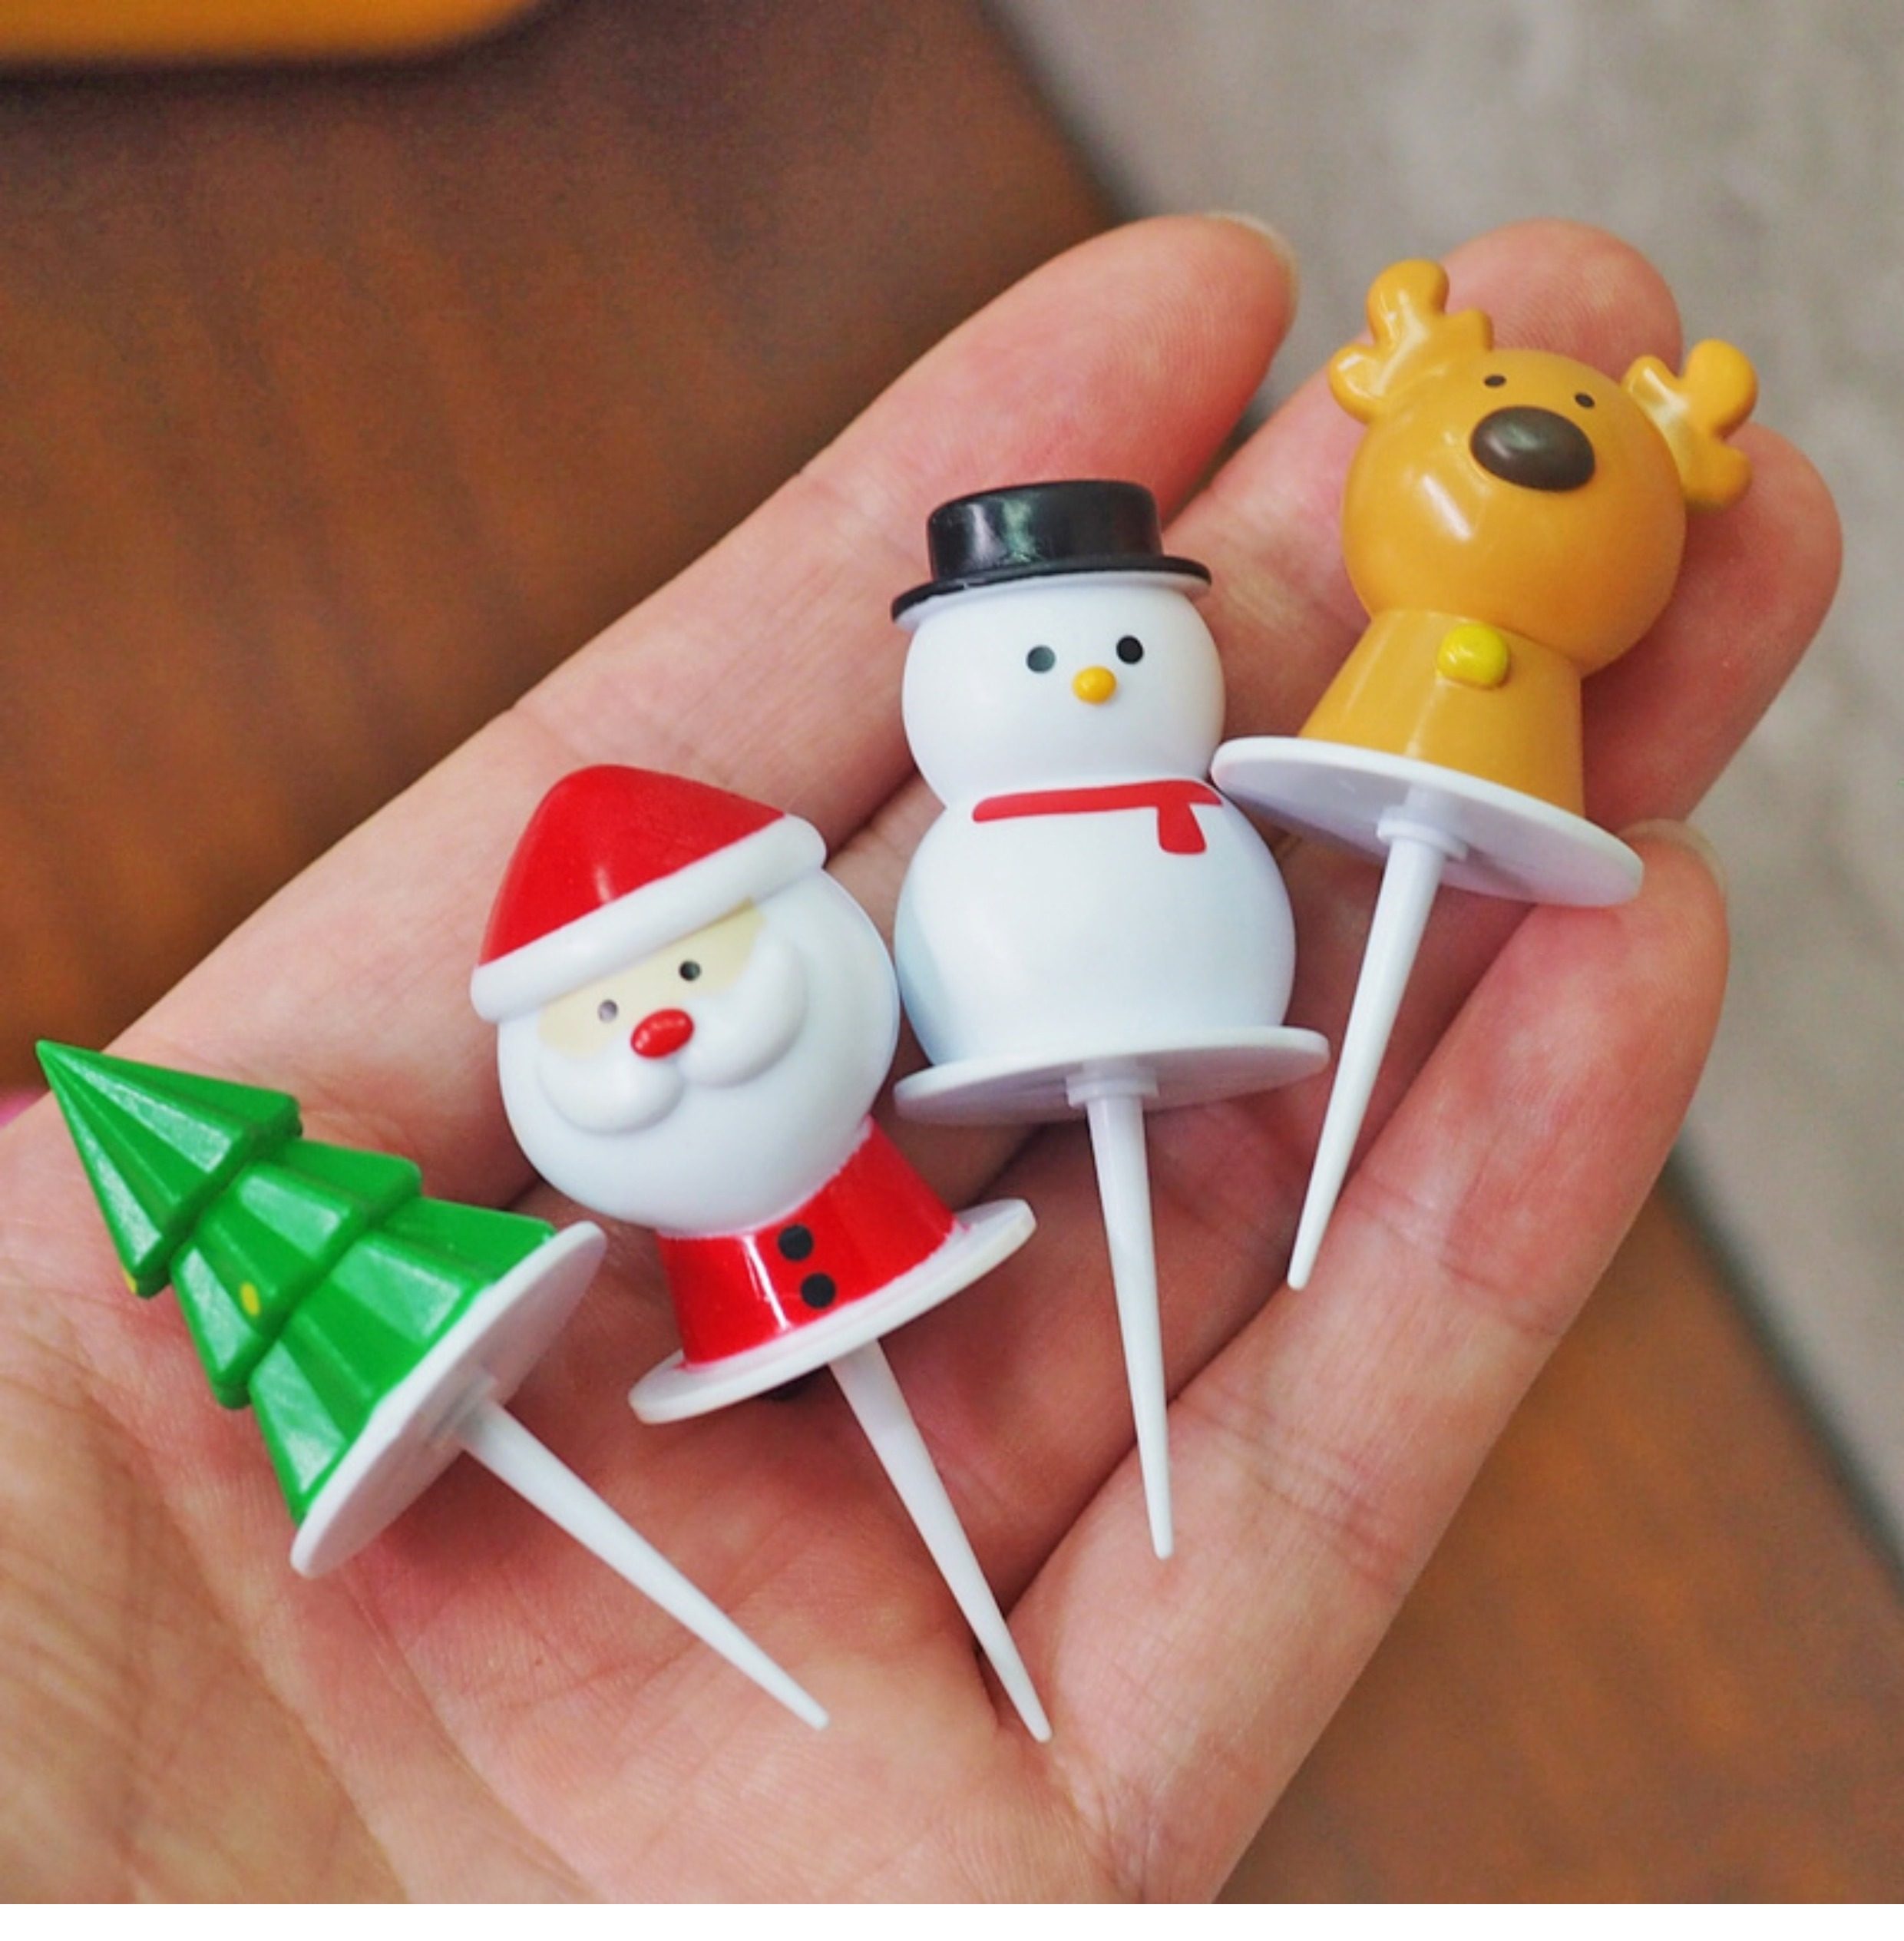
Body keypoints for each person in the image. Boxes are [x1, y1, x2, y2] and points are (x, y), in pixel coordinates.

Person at [0, 215, 1840, 1899]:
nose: (1096, 684)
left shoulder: (1153, 818)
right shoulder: (942, 874)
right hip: (848, 1203)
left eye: (1121, 649)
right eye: (1044, 665)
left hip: (1116, 1050)